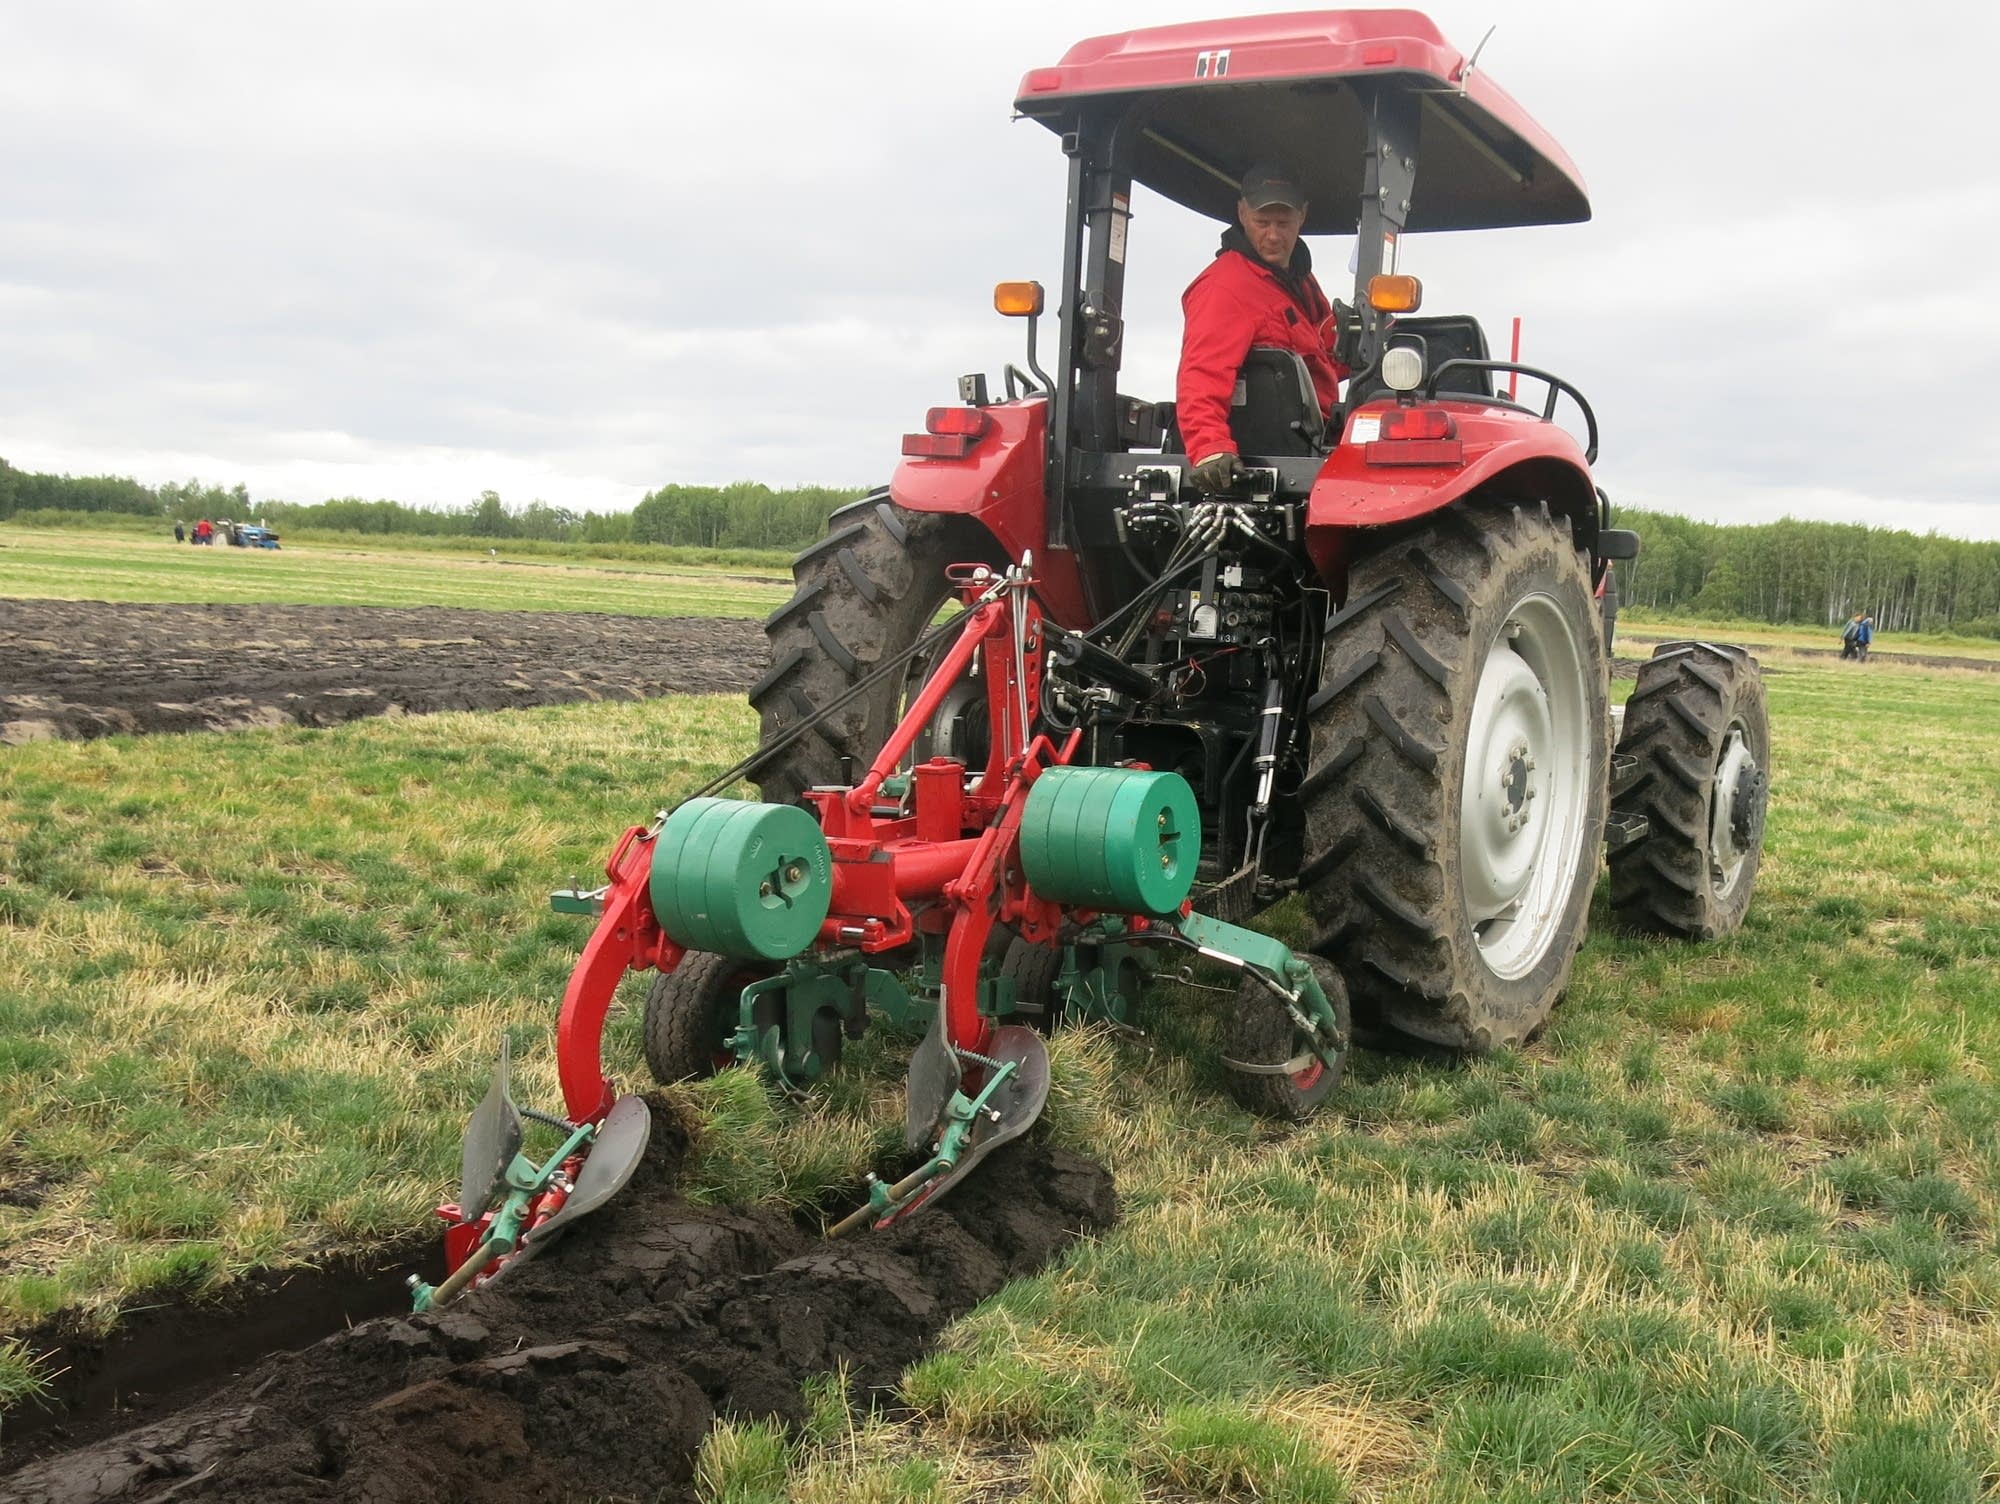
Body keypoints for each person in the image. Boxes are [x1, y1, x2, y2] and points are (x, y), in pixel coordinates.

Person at [1177, 163, 1352, 493]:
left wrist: (1371, 340)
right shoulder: (1225, 287)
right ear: (1242, 214)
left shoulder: (1299, 280)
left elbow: (1323, 362)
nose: (1273, 235)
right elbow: (1202, 373)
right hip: (1278, 454)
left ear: (1303, 216)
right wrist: (1209, 447)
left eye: (1284, 223)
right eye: (1262, 222)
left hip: (1321, 439)